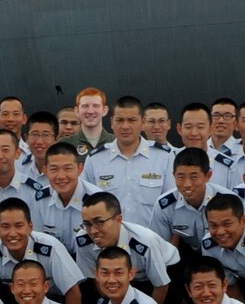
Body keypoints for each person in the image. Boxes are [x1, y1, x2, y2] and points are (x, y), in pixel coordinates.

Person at [0, 198, 85, 304]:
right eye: (5, 227)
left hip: (57, 302)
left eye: (19, 226)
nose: (12, 233)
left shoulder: (50, 248)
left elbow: (72, 292)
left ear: (30, 226)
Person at [82, 96, 174, 230]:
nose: (125, 126)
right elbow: (87, 207)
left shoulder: (164, 157)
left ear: (142, 123)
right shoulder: (95, 160)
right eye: (120, 120)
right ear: (112, 122)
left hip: (153, 244)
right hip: (110, 245)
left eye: (132, 120)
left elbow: (172, 207)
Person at [75, 192, 176, 304]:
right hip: (120, 279)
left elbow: (161, 285)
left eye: (99, 222)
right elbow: (97, 280)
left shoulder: (144, 242)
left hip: (161, 275)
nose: (93, 231)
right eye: (87, 224)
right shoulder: (83, 240)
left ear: (118, 219)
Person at [29, 143, 99, 254]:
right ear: (45, 171)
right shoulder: (40, 199)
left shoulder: (97, 200)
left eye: (68, 168)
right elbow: (37, 240)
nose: (61, 176)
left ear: (80, 169)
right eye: (54, 169)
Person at [67, 88, 109, 155]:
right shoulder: (66, 144)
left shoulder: (117, 143)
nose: (90, 111)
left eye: (96, 106)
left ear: (105, 110)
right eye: (85, 106)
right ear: (77, 111)